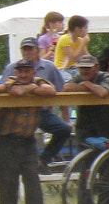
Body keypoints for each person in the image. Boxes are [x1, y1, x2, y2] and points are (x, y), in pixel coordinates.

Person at [0, 58, 55, 204]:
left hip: (28, 139)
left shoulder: (39, 81)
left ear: (33, 72)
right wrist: (33, 88)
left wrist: (32, 87)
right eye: (20, 71)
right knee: (7, 178)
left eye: (27, 71)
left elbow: (51, 91)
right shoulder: (11, 82)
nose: (23, 74)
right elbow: (16, 92)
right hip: (6, 138)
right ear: (16, 73)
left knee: (32, 175)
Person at [14, 36, 71, 167]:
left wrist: (66, 117)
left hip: (41, 112)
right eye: (25, 50)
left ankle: (43, 160)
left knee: (64, 129)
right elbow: (3, 88)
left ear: (38, 50)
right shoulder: (14, 67)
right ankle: (22, 164)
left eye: (30, 49)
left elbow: (61, 91)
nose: (27, 52)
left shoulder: (49, 67)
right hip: (19, 112)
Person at [62, 52, 109, 152]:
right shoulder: (78, 77)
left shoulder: (106, 77)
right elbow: (66, 87)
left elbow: (103, 92)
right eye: (82, 68)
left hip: (105, 127)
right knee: (83, 162)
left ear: (97, 68)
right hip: (84, 127)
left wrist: (87, 84)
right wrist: (90, 88)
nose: (84, 71)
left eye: (88, 68)